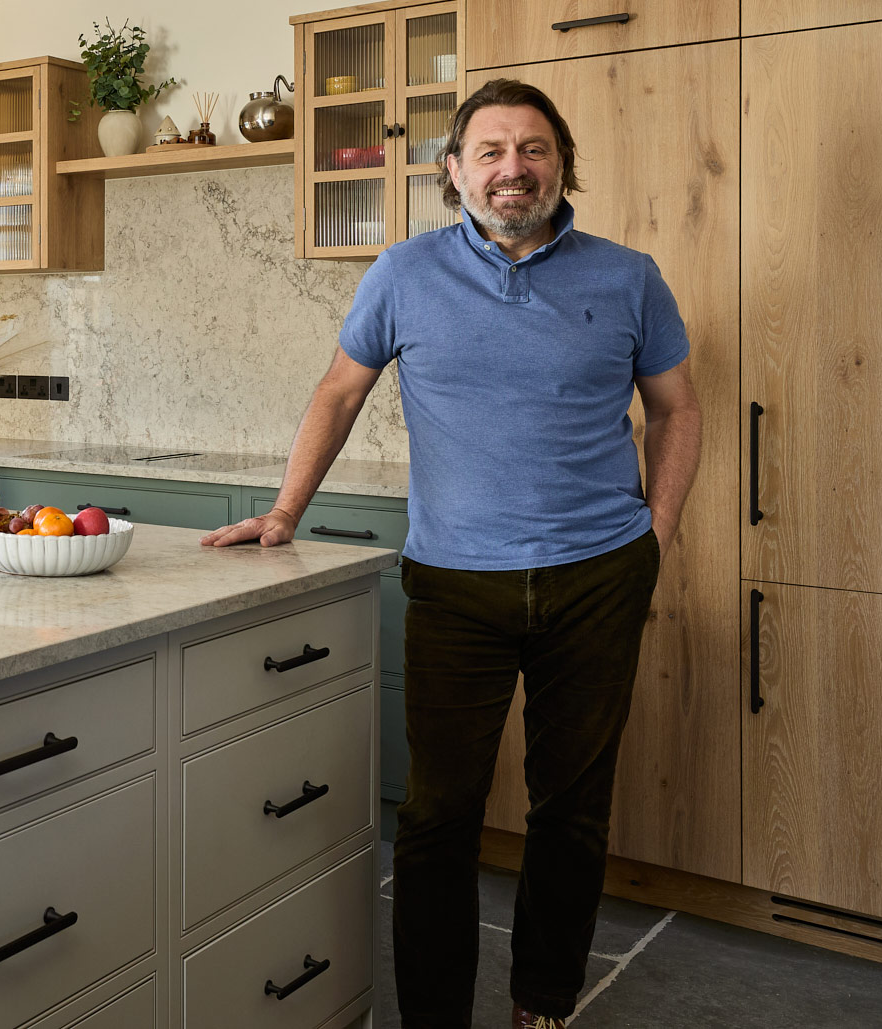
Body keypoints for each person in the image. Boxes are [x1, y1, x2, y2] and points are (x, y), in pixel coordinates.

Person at [201, 78, 702, 1029]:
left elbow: (677, 409)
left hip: (598, 576)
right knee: (436, 818)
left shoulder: (629, 275)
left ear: (563, 164)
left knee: (573, 807)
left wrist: (656, 534)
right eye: (492, 150)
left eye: (535, 149)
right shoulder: (402, 273)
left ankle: (545, 1000)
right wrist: (283, 513)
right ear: (455, 170)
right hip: (454, 585)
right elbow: (340, 391)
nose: (514, 167)